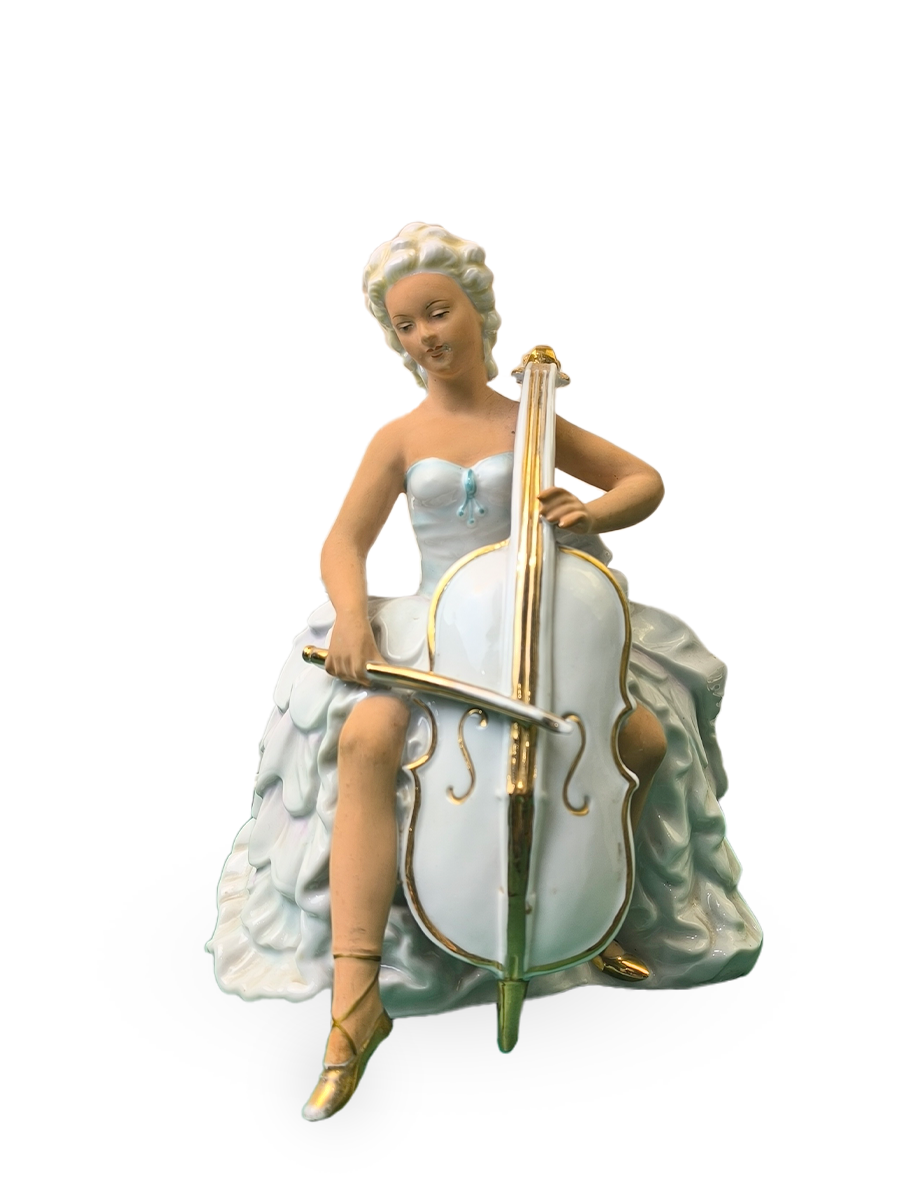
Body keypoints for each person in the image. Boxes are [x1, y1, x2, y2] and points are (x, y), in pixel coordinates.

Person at [207, 223, 762, 1121]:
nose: (424, 335)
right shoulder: (399, 436)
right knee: (369, 736)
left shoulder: (528, 420)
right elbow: (344, 541)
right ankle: (356, 1001)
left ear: (477, 311)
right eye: (405, 325)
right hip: (436, 627)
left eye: (438, 312)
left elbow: (643, 479)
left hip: (538, 627)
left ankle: (594, 913)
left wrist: (591, 512)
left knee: (640, 738)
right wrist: (350, 614)